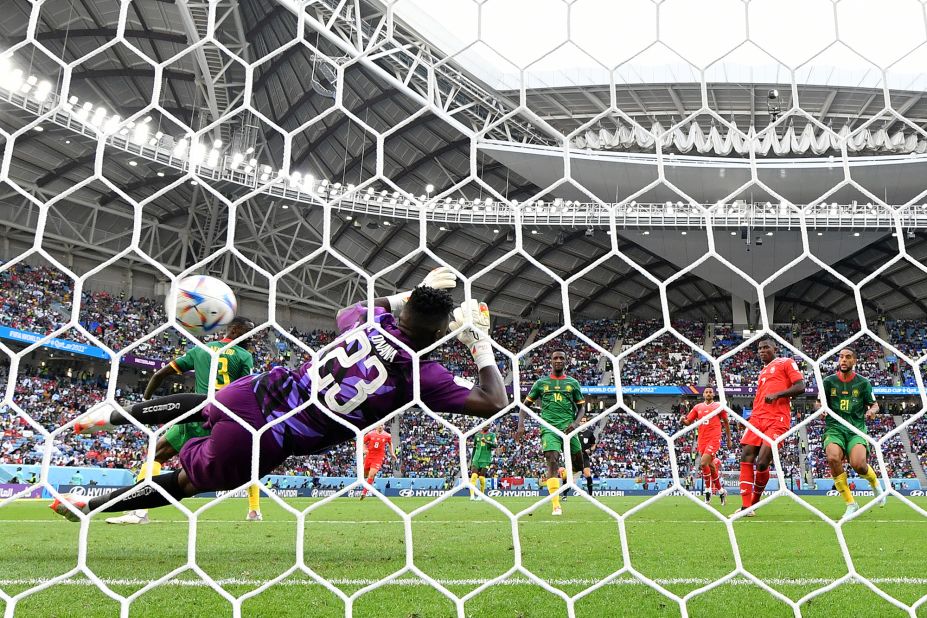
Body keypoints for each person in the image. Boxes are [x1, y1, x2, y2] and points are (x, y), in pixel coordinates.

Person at [51, 269, 509, 521]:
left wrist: (414, 291)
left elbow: (346, 308)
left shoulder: (367, 322)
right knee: (191, 483)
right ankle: (88, 507)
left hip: (262, 390)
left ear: (405, 311)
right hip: (272, 435)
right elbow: (492, 402)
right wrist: (477, 344)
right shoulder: (420, 372)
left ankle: (116, 415)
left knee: (207, 404)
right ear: (437, 336)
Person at [76, 317, 258, 524]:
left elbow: (161, 374)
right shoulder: (244, 356)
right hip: (225, 419)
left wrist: (144, 402)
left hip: (196, 413)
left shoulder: (201, 350)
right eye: (248, 330)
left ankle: (139, 512)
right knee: (248, 462)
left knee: (156, 455)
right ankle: (254, 510)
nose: (251, 336)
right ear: (233, 330)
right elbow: (247, 390)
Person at [738, 339, 805, 516]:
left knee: (762, 463)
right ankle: (745, 507)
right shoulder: (762, 372)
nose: (761, 351)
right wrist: (749, 418)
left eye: (766, 347)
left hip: (777, 419)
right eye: (759, 348)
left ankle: (753, 503)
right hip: (757, 418)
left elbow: (800, 386)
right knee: (746, 455)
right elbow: (760, 398)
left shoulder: (786, 362)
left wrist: (777, 395)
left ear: (775, 348)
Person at [816, 347, 885, 518]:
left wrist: (872, 411)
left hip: (855, 429)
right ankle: (850, 503)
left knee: (859, 465)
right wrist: (821, 409)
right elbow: (817, 403)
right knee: (832, 457)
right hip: (834, 428)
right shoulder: (828, 381)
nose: (844, 360)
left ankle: (874, 482)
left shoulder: (863, 383)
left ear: (854, 361)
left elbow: (875, 404)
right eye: (841, 357)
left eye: (848, 357)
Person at [516, 350, 586, 516]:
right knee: (552, 460)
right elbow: (525, 406)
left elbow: (582, 407)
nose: (558, 360)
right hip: (549, 428)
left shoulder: (573, 383)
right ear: (551, 361)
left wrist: (575, 424)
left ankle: (564, 475)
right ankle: (556, 505)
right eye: (555, 358)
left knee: (578, 466)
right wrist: (520, 425)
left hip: (568, 429)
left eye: (562, 358)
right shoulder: (541, 383)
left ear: (566, 361)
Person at [680, 386, 733, 505]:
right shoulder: (697, 407)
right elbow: (688, 422)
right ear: (703, 394)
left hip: (714, 439)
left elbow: (726, 423)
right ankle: (721, 491)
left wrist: (729, 439)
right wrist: (682, 420)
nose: (708, 394)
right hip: (702, 440)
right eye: (706, 392)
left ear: (713, 394)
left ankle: (708, 492)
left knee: (703, 462)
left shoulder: (719, 407)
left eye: (710, 392)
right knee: (711, 466)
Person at [359, 425, 396, 500]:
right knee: (365, 475)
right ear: (376, 426)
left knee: (372, 474)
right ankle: (368, 483)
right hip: (369, 456)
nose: (380, 426)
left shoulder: (387, 435)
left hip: (378, 457)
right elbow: (362, 442)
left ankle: (364, 492)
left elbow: (390, 443)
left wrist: (392, 453)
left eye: (382, 425)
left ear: (384, 426)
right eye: (379, 425)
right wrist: (364, 449)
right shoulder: (370, 434)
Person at [469, 425, 497, 501]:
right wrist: (472, 460)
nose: (486, 426)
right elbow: (474, 447)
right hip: (476, 458)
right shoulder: (477, 435)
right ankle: (472, 495)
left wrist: (486, 441)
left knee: (481, 477)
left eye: (488, 425)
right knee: (474, 476)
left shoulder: (492, 435)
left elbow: (495, 445)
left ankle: (481, 495)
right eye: (485, 425)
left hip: (486, 459)